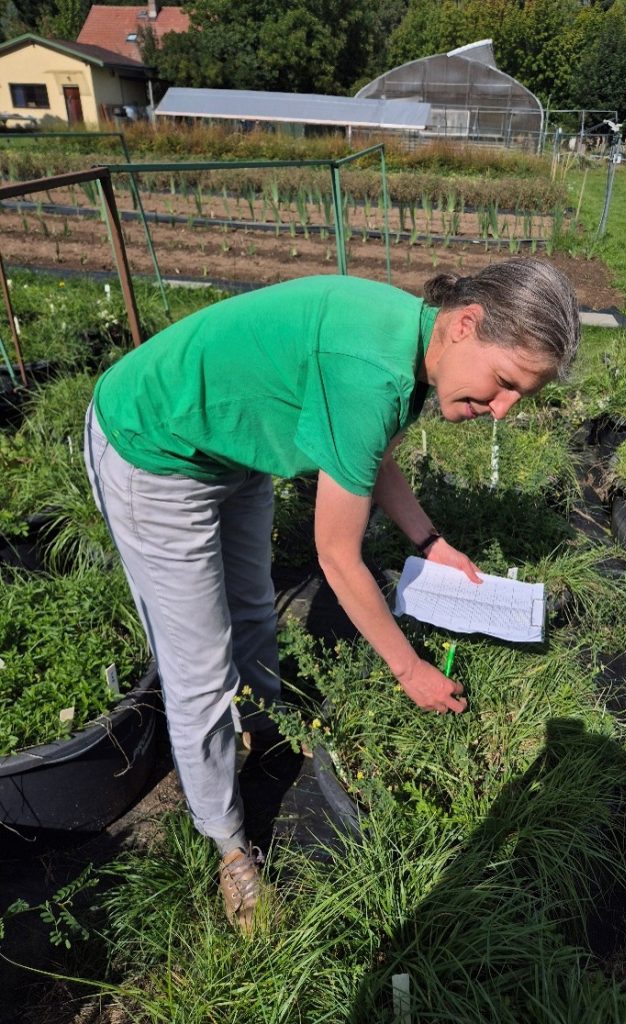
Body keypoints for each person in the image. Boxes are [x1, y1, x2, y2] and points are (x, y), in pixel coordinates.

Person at [83, 259, 580, 932]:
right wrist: (410, 671)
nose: (501, 410)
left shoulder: (409, 346)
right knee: (199, 666)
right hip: (155, 449)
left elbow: (366, 453)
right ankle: (228, 845)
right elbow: (337, 560)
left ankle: (264, 728)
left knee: (254, 607)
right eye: (503, 384)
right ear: (466, 324)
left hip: (232, 449)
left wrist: (429, 543)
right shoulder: (370, 371)